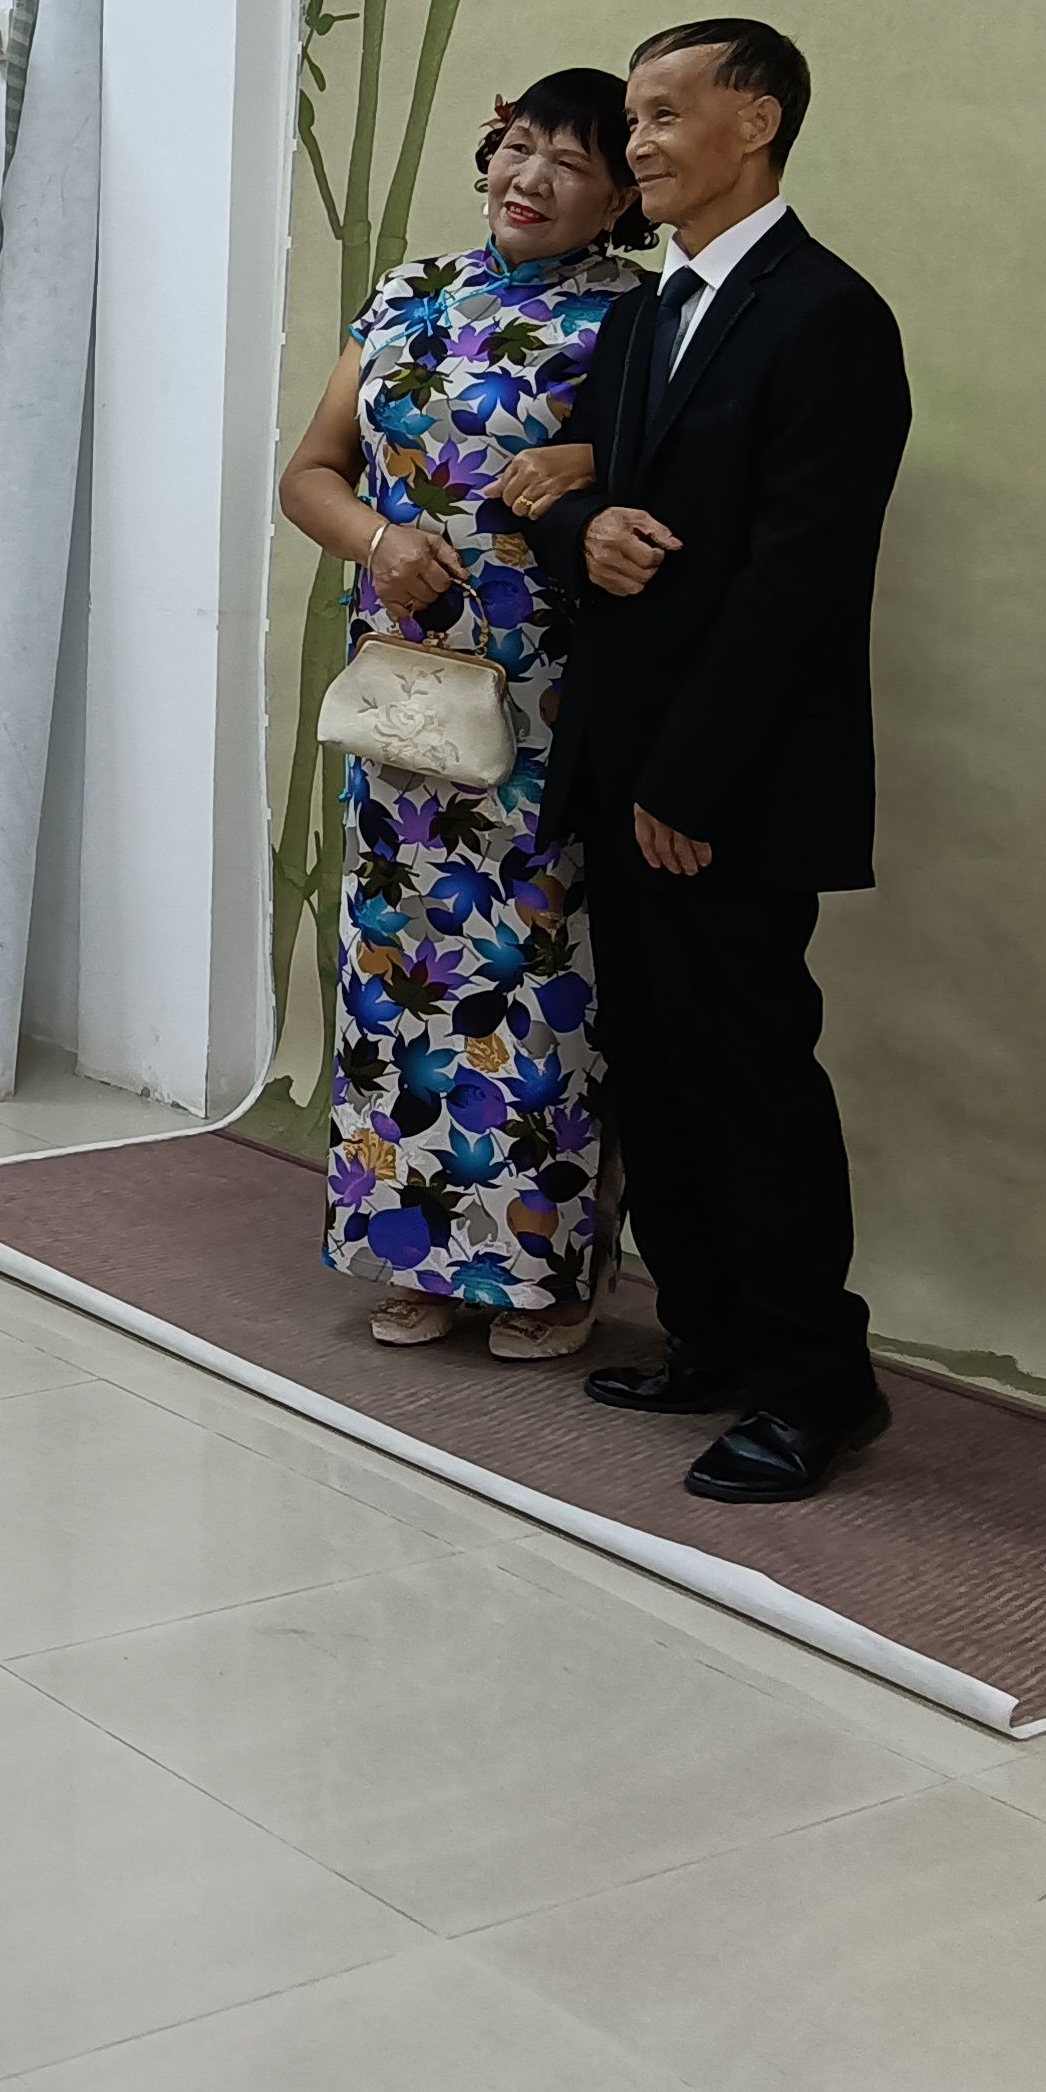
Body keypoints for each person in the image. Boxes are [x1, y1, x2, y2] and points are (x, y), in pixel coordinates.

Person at [527, 18, 911, 1505]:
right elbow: (568, 494)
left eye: (662, 114)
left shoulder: (829, 318)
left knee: (751, 1085)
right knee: (660, 1071)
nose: (636, 143)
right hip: (622, 761)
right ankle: (711, 1336)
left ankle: (820, 1387)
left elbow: (800, 584)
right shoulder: (645, 316)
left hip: (726, 789)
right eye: (631, 118)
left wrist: (689, 786)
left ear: (756, 124)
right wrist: (586, 529)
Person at [280, 72, 647, 1361]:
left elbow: (687, 470)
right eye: (519, 148)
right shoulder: (407, 295)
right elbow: (309, 475)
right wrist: (378, 541)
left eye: (572, 163)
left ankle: (546, 1270)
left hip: (547, 702)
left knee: (543, 983)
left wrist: (593, 462)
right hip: (402, 696)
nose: (530, 179)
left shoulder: (636, 316)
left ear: (621, 199)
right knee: (398, 976)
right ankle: (417, 1254)